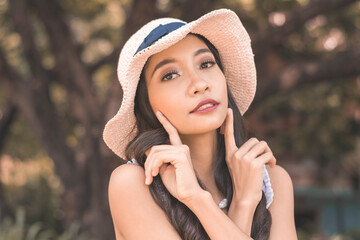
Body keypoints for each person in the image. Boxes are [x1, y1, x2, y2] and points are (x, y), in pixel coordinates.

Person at [104, 8, 297, 240]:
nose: (200, 84)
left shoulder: (273, 181)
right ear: (146, 104)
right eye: (170, 75)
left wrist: (244, 201)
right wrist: (204, 200)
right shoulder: (133, 184)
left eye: (206, 64)